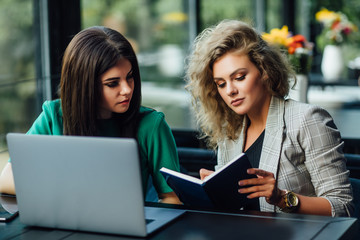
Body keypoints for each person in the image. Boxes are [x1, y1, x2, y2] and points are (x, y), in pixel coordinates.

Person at [185, 19, 353, 216]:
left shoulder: (308, 119)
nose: (230, 90)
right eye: (221, 84)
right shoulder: (230, 130)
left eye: (239, 77)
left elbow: (343, 207)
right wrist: (212, 192)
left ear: (264, 71)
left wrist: (282, 198)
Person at [0, 26, 181, 204]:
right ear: (84, 85)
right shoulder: (53, 116)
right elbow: (6, 179)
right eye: (112, 83)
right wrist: (65, 192)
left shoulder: (151, 125)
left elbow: (172, 198)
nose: (127, 90)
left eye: (130, 76)